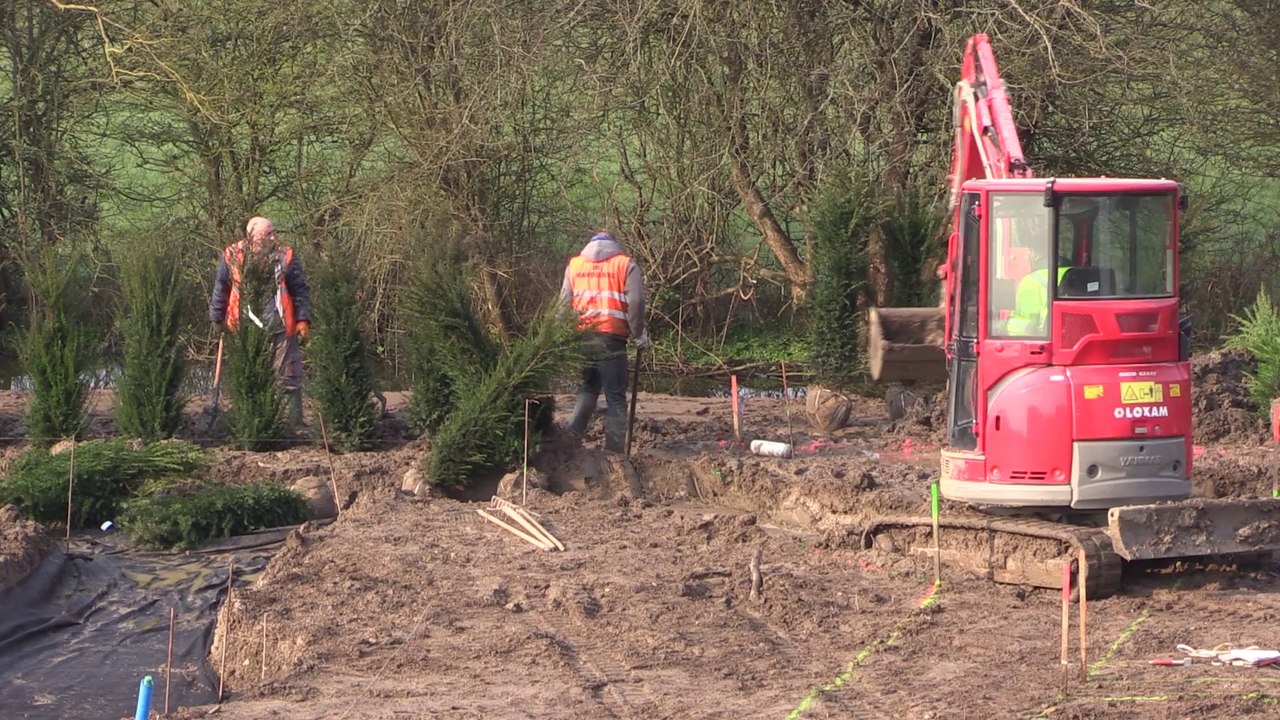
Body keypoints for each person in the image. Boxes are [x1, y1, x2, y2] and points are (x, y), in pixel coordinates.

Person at [208, 216, 312, 426]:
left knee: (288, 377)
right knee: (249, 377)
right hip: (244, 329)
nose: (274, 237)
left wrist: (303, 319)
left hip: (281, 326)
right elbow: (221, 288)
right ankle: (251, 423)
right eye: (268, 234)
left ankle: (293, 423)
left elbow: (299, 289)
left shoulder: (286, 256)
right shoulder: (231, 256)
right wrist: (217, 317)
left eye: (274, 232)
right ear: (252, 237)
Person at [560, 230, 649, 453]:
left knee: (588, 389)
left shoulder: (575, 266)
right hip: (612, 337)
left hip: (583, 337)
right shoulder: (625, 264)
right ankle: (615, 452)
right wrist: (638, 334)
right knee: (616, 397)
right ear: (614, 245)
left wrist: (560, 337)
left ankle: (571, 441)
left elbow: (563, 304)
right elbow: (636, 301)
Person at [1006, 252, 1071, 337]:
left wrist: (1001, 327)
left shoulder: (1031, 280)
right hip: (1073, 336)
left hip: (1044, 338)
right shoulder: (1076, 275)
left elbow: (1026, 322)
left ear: (1033, 255)